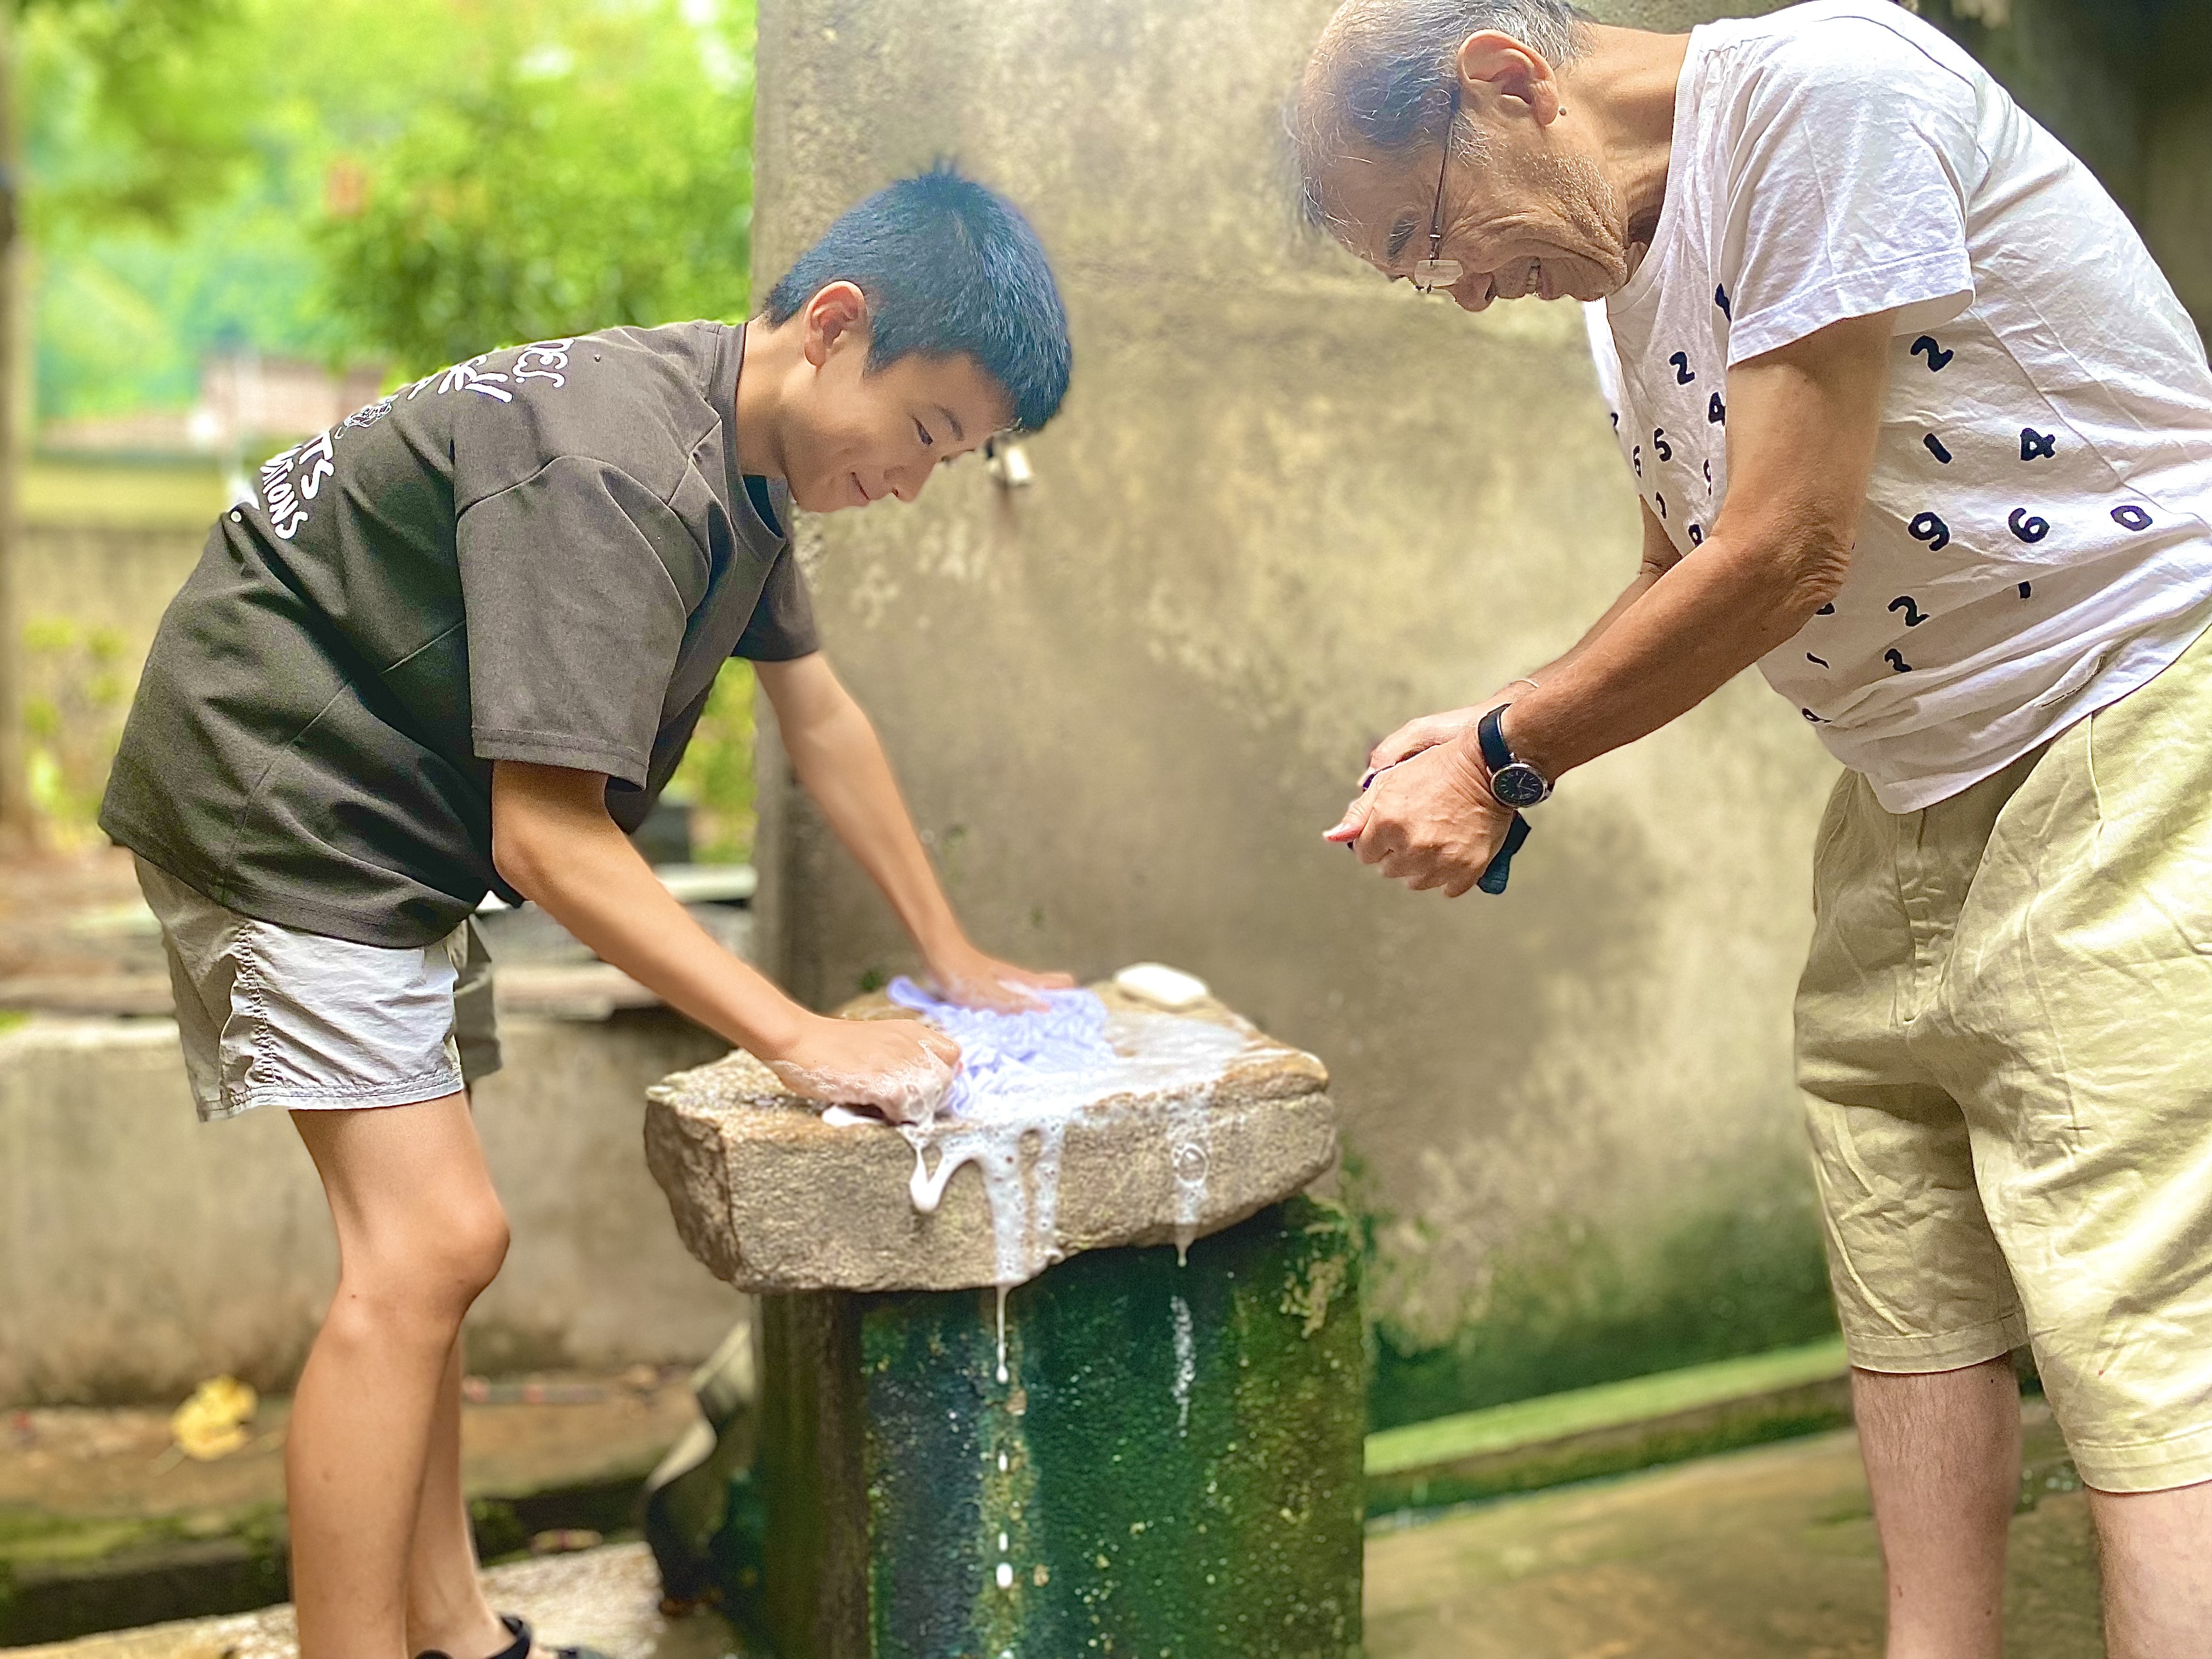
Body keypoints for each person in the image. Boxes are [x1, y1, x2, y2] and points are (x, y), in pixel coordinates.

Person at [1290, 1, 2212, 1652]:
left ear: (1510, 79)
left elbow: (1786, 552)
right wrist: (1493, 727)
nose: (1465, 289)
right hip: (1902, 788)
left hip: (2125, 717)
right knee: (1906, 1265)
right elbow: (1680, 577)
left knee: (2131, 1306)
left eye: (1434, 234)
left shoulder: (1823, 94)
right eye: (1416, 273)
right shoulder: (1616, 285)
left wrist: (1506, 756)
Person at [98, 164, 1074, 1659]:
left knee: (431, 1254)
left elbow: (822, 724)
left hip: (387, 809)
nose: (917, 478)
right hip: (280, 784)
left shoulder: (747, 463)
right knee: (427, 1247)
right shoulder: (625, 469)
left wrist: (947, 954)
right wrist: (805, 1039)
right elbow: (551, 840)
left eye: (960, 455)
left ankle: (451, 1628)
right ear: (833, 327)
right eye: (928, 431)